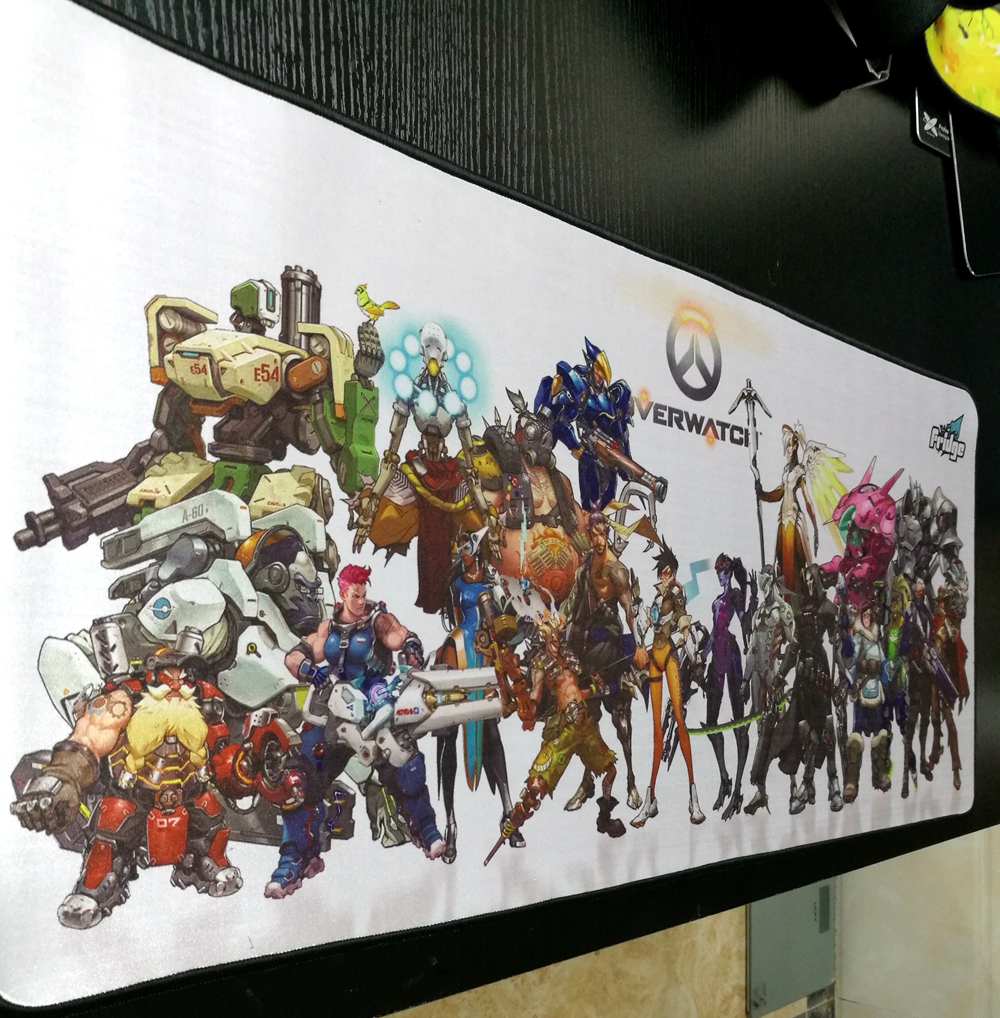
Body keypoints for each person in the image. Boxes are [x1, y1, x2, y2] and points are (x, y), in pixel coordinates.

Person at [275, 565, 444, 898]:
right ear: (342, 593)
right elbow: (295, 657)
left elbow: (398, 635)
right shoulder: (329, 626)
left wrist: (411, 645)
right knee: (297, 779)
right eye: (355, 595)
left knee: (406, 766)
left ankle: (426, 830)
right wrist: (309, 669)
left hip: (373, 705)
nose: (361, 600)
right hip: (335, 710)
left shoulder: (377, 619)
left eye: (364, 593)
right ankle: (295, 858)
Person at [561, 511, 647, 812]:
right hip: (584, 648)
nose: (598, 540)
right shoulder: (586, 566)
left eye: (602, 534)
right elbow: (573, 602)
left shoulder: (617, 571)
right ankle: (587, 783)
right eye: (594, 534)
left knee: (621, 723)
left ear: (607, 534)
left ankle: (631, 781)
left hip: (608, 648)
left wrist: (639, 645)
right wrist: (556, 620)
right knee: (585, 721)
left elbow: (629, 610)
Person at [631, 543, 705, 827]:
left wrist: (682, 640)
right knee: (656, 732)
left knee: (679, 722)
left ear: (673, 573)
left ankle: (693, 798)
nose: (665, 575)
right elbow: (646, 625)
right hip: (654, 659)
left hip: (670, 657)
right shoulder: (655, 596)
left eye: (669, 571)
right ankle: (650, 799)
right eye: (663, 571)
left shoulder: (677, 595)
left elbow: (684, 624)